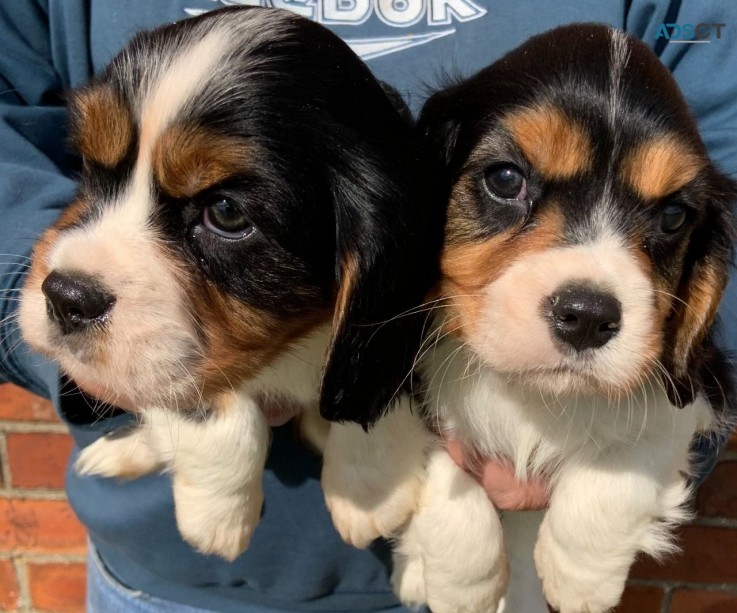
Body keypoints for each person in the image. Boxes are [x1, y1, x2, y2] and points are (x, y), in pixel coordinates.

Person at [1, 1, 735, 611]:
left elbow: (718, 169)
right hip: (175, 585)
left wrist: (632, 459)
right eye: (505, 182)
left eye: (226, 210)